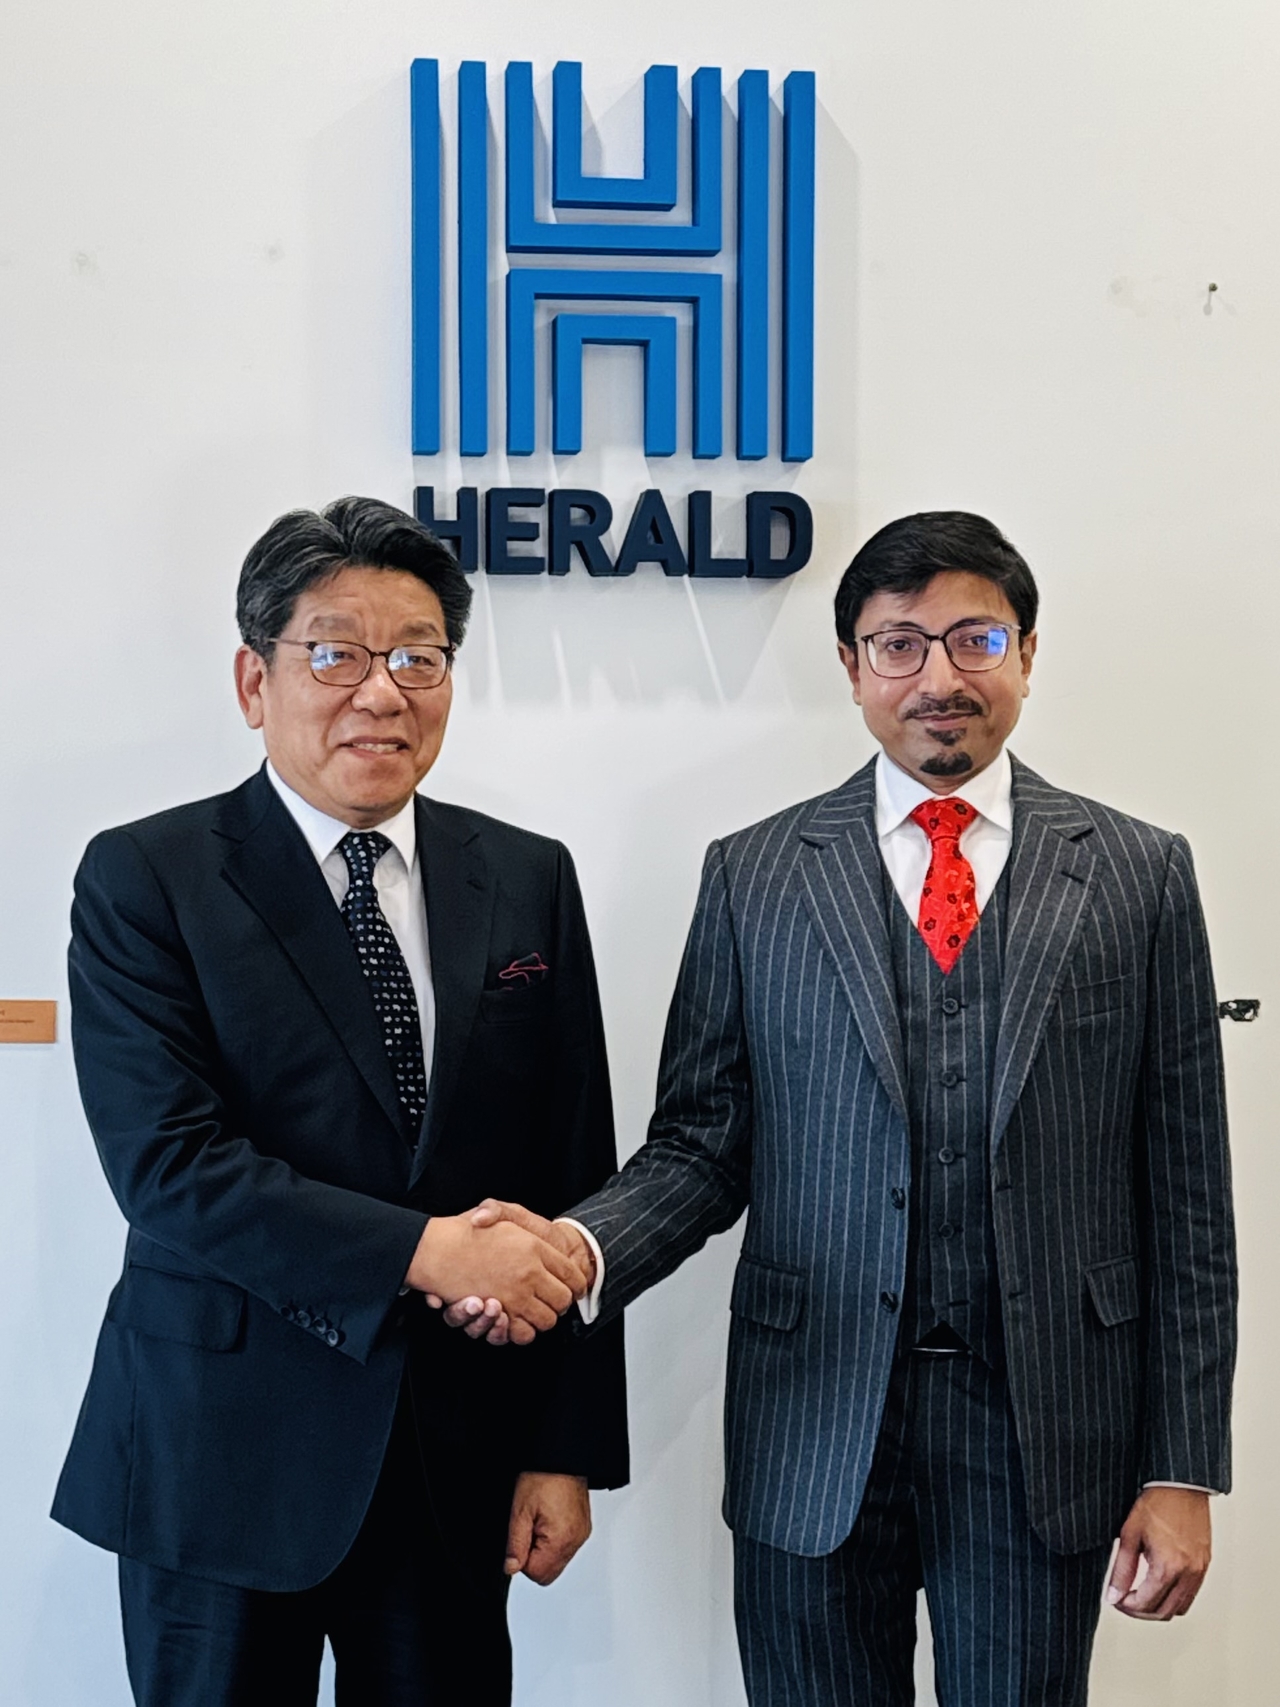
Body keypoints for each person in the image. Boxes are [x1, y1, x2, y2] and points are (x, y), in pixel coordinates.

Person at [453, 512, 1237, 1705]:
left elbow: (1186, 1200)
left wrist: (1180, 1468)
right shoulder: (755, 873)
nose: (938, 677)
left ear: (1026, 654)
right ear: (851, 666)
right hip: (811, 1419)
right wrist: (574, 1250)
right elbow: (700, 1146)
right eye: (897, 644)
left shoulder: (1138, 874)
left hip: (1046, 1434)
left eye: (975, 639)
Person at [51, 496, 627, 1707]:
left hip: (453, 1457)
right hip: (219, 1452)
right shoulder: (146, 876)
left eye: (418, 657)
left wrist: (563, 1451)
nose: (382, 692)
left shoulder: (524, 875)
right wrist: (428, 1251)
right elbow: (169, 1169)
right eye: (335, 654)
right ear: (253, 682)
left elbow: (574, 1169)